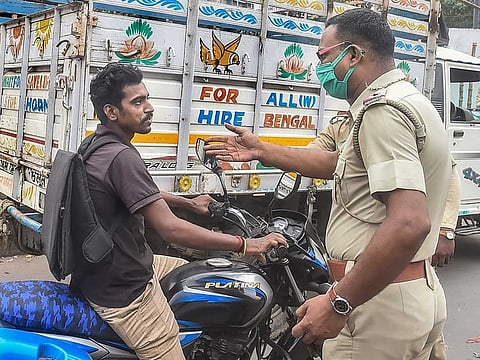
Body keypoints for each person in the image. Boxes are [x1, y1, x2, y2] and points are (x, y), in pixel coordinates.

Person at [206, 8, 452, 359]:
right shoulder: (410, 101)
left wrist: (338, 303)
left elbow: (409, 222)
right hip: (407, 290)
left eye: (324, 55)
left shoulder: (382, 112)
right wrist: (262, 149)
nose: (318, 66)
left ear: (354, 54)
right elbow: (341, 163)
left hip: (376, 307)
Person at [69, 62, 287, 360]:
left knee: (197, 272)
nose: (149, 107)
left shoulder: (96, 145)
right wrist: (246, 244)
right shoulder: (122, 157)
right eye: (138, 102)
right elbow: (171, 228)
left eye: (147, 98)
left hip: (107, 268)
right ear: (111, 111)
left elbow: (141, 194)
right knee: (167, 349)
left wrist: (189, 203)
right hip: (123, 288)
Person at [310, 115, 461, 360]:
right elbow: (320, 156)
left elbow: (446, 174)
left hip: (390, 282)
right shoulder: (344, 125)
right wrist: (266, 152)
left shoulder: (388, 118)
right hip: (386, 282)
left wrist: (445, 229)